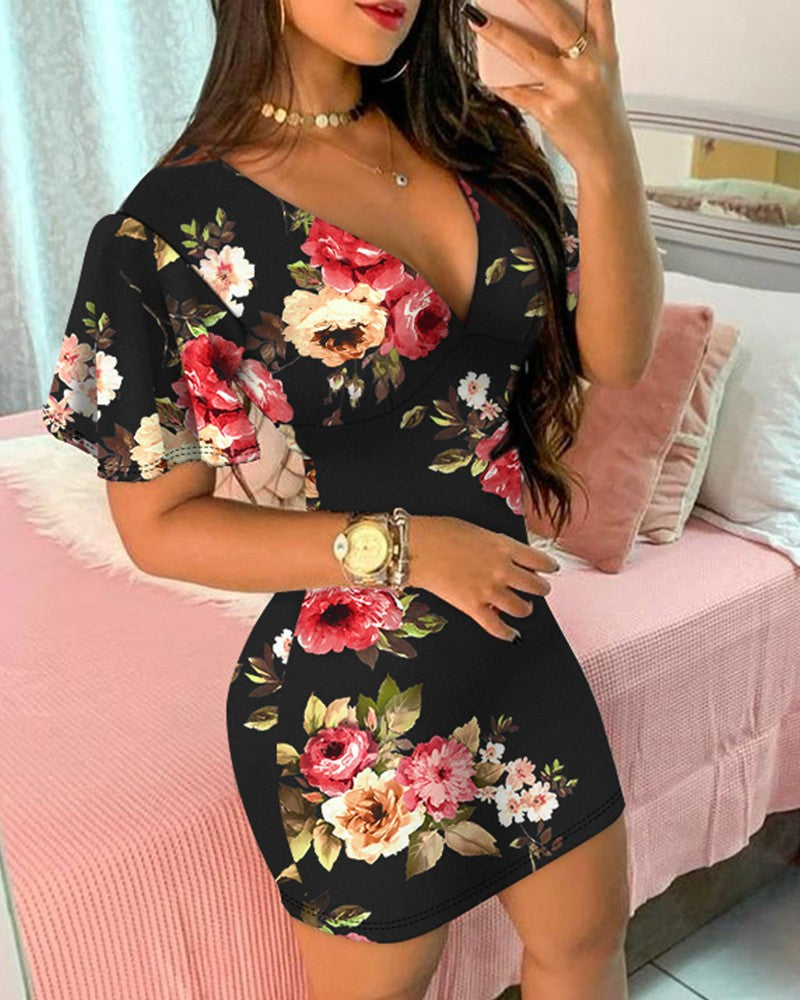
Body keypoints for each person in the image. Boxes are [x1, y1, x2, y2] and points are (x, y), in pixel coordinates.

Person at [42, 1, 663, 997]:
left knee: (588, 947)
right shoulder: (168, 227)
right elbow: (155, 526)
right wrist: (408, 546)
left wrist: (605, 145)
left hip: (512, 640)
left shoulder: (471, 138)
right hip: (349, 703)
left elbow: (618, 357)